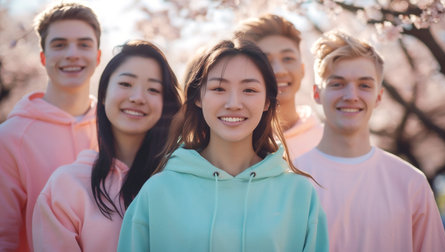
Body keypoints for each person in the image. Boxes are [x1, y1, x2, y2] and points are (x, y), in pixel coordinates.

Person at [117, 39, 329, 252]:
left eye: (249, 90)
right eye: (219, 88)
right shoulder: (159, 191)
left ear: (267, 102)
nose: (234, 103)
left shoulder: (299, 194)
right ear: (198, 97)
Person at [294, 31, 445, 251]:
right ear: (317, 93)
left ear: (378, 96)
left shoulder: (411, 182)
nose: (351, 95)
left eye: (364, 85)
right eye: (337, 84)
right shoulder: (290, 181)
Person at [31, 40, 182, 252]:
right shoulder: (67, 185)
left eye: (153, 89)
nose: (138, 98)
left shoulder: (181, 180)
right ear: (103, 94)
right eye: (126, 84)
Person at [0, 3, 101, 251]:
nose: (72, 53)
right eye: (59, 44)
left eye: (84, 44)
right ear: (43, 58)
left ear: (98, 56)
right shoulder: (10, 137)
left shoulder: (116, 128)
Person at [233, 14, 323, 159]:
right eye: (265, 60)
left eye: (288, 58)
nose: (279, 70)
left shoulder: (325, 141)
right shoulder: (232, 141)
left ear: (302, 69)